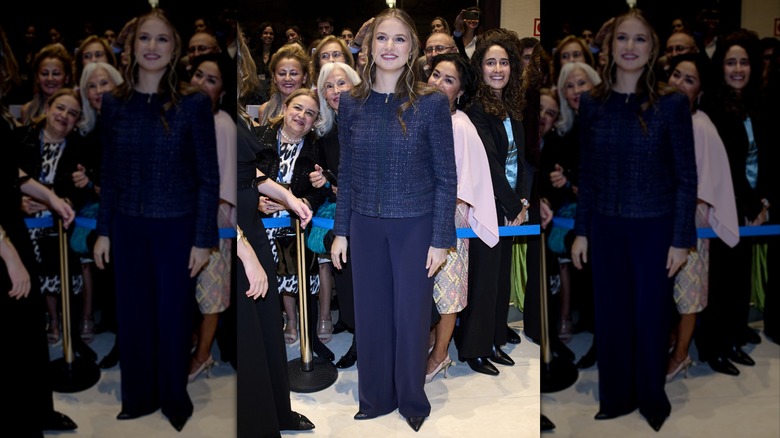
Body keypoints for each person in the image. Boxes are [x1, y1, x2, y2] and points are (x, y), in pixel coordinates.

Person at [92, 9, 220, 432]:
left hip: (177, 228)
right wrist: (104, 231)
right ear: (131, 47)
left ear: (174, 48)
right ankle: (138, 396)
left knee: (173, 314)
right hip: (126, 226)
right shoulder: (114, 103)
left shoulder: (193, 103)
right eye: (144, 38)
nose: (151, 47)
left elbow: (208, 176)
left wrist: (203, 239)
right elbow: (108, 173)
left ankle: (173, 397)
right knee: (132, 315)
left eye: (161, 39)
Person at [570, 9, 697, 432]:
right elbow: (586, 173)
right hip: (605, 227)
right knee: (610, 314)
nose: (629, 47)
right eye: (622, 38)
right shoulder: (593, 103)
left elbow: (685, 176)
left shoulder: (672, 104)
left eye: (639, 39)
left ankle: (651, 396)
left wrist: (681, 238)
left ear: (652, 48)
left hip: (655, 229)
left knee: (652, 315)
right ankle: (617, 396)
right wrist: (582, 231)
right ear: (609, 47)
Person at [330, 8, 457, 432]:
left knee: (411, 314)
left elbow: (446, 175)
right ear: (368, 46)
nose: (389, 47)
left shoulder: (432, 102)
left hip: (416, 226)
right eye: (382, 38)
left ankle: (411, 398)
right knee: (371, 313)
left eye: (399, 39)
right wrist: (341, 230)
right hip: (364, 224)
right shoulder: (351, 102)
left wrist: (441, 238)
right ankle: (375, 397)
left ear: (412, 48)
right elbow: (346, 171)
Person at [235, 25, 315, 436]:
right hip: (238, 239)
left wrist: (289, 197)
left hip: (251, 232)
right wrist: (245, 251)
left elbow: (251, 175)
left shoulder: (233, 116)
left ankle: (278, 411)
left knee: (265, 329)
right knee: (250, 335)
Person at [1, 26, 78, 436]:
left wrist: (51, 198)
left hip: (11, 227)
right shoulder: (21, 124)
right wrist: (8, 251)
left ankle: (40, 411)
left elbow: (11, 173)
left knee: (27, 327)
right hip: (6, 237)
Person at [697, 29, 776, 375]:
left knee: (740, 274)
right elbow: (725, 163)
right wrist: (749, 204)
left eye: (744, 62)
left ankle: (734, 333)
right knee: (722, 279)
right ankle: (715, 347)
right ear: (721, 67)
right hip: (726, 206)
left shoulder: (757, 101)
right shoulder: (712, 104)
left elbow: (768, 155)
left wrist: (764, 201)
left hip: (754, 205)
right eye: (731, 62)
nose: (738, 69)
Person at [456, 31, 529, 377]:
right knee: (483, 279)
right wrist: (514, 204)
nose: (498, 69)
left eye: (503, 62)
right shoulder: (476, 109)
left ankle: (495, 337)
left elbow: (523, 159)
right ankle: (474, 348)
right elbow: (489, 165)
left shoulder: (512, 106)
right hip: (489, 204)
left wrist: (523, 200)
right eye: (490, 63)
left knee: (500, 277)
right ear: (479, 68)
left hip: (513, 206)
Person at [664, 52, 740, 382]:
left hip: (690, 219)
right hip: (659, 217)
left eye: (689, 79)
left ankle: (680, 356)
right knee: (663, 291)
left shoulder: (702, 126)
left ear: (700, 92)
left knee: (688, 294)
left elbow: (704, 183)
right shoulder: (658, 115)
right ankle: (668, 345)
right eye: (677, 75)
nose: (679, 83)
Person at [425, 53, 499, 383]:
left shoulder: (462, 126)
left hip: (449, 216)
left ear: (461, 91)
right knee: (425, 289)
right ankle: (429, 345)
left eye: (449, 79)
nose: (439, 83)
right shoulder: (420, 115)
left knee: (447, 291)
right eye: (436, 75)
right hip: (419, 215)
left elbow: (463, 185)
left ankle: (440, 356)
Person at [187, 52, 237, 382]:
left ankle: (203, 356)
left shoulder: (222, 124)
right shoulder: (181, 117)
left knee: (211, 296)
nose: (202, 84)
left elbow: (222, 185)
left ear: (222, 91)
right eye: (198, 75)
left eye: (212, 79)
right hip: (185, 221)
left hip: (214, 222)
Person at [308, 60, 362, 363]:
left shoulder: (371, 122)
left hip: (369, 216)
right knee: (346, 277)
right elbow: (330, 178)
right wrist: (325, 180)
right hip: (342, 218)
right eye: (328, 86)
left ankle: (362, 344)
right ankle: (355, 330)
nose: (335, 90)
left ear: (355, 84)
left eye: (341, 83)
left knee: (362, 281)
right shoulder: (326, 133)